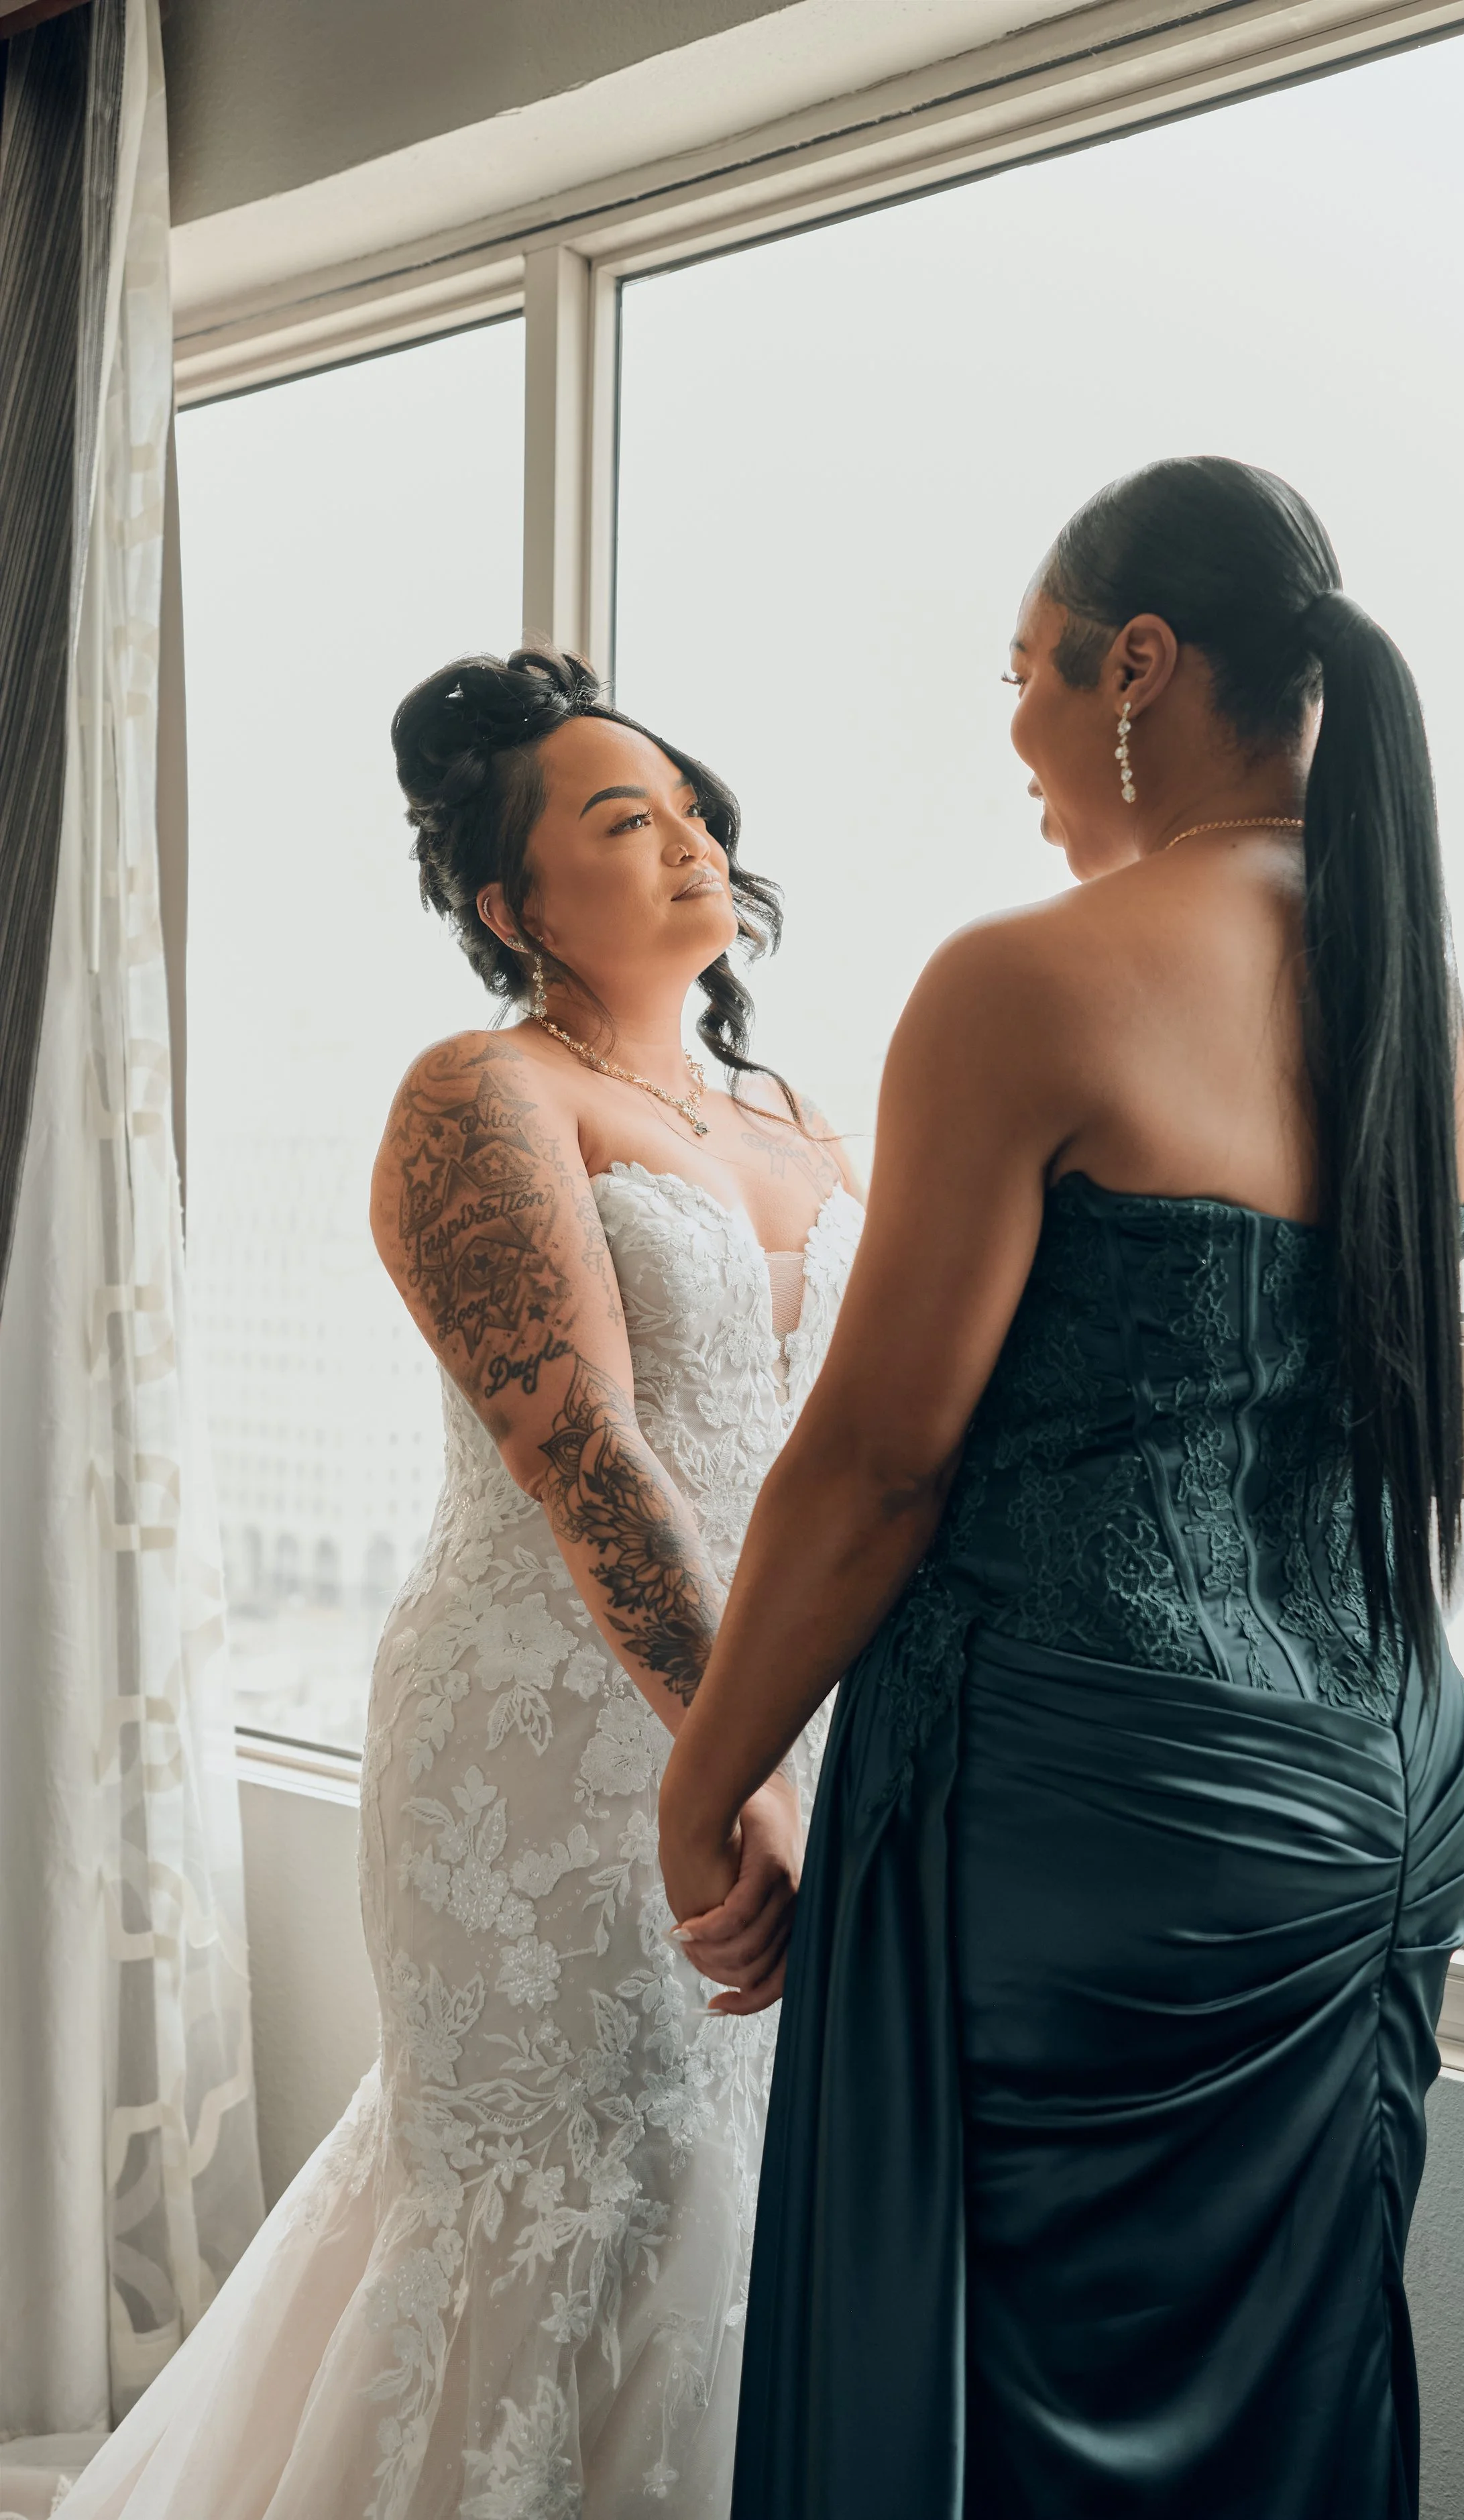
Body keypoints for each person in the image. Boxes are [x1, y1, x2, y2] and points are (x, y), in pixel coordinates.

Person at [659, 458, 1464, 2519]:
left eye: (1022, 675)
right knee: (1271, 2418)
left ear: (1138, 663)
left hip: (1089, 1801)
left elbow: (872, 1464)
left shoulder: (1027, 980)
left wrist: (704, 1777)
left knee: (1013, 2420)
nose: (1015, 736)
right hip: (1373, 1798)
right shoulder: (1437, 1022)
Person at [58, 650, 861, 2520]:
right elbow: (586, 1456)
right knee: (554, 2191)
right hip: (548, 1737)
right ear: (511, 906)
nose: (685, 839)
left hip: (791, 1721)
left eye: (685, 805)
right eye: (618, 819)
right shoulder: (479, 1093)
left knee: (723, 2193)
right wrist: (729, 1761)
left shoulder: (799, 1123)